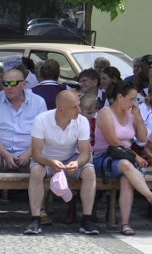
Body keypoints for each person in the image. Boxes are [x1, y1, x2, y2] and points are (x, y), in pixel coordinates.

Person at [92, 81, 152, 236]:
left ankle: (125, 223)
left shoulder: (130, 113)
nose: (134, 103)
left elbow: (143, 138)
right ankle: (151, 197)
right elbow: (112, 141)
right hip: (105, 157)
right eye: (131, 99)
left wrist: (138, 118)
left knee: (127, 178)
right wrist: (135, 156)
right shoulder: (106, 112)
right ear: (120, 97)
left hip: (126, 160)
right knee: (125, 165)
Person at [0, 68, 48, 226]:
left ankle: (39, 209)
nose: (8, 87)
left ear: (23, 84)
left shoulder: (38, 102)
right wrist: (6, 155)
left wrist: (28, 153)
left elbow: (44, 133)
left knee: (43, 159)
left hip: (30, 152)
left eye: (13, 83)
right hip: (1, 153)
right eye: (5, 83)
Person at [26, 90, 98, 235]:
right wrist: (51, 162)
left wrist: (77, 163)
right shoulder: (42, 119)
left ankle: (87, 219)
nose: (79, 110)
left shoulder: (82, 121)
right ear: (60, 109)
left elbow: (85, 152)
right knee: (36, 171)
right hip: (46, 158)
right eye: (74, 107)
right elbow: (36, 153)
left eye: (79, 105)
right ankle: (35, 218)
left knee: (90, 171)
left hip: (71, 157)